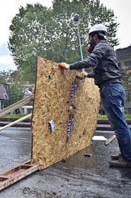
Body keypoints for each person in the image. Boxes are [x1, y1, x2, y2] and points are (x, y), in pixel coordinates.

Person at [58, 24, 131, 167]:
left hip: (111, 89)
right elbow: (103, 71)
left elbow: (91, 61)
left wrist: (69, 66)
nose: (89, 40)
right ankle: (125, 153)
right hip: (114, 88)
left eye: (90, 37)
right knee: (119, 125)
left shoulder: (101, 46)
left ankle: (128, 158)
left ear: (95, 36)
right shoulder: (106, 48)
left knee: (120, 125)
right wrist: (89, 75)